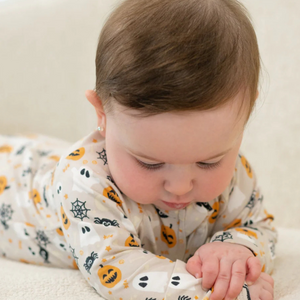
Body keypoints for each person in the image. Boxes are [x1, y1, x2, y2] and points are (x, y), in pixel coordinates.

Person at [0, 0, 277, 299]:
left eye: (208, 162)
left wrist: (236, 249)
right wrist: (215, 292)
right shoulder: (84, 182)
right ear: (102, 114)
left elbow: (258, 226)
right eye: (150, 163)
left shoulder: (236, 172)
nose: (180, 187)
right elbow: (118, 270)